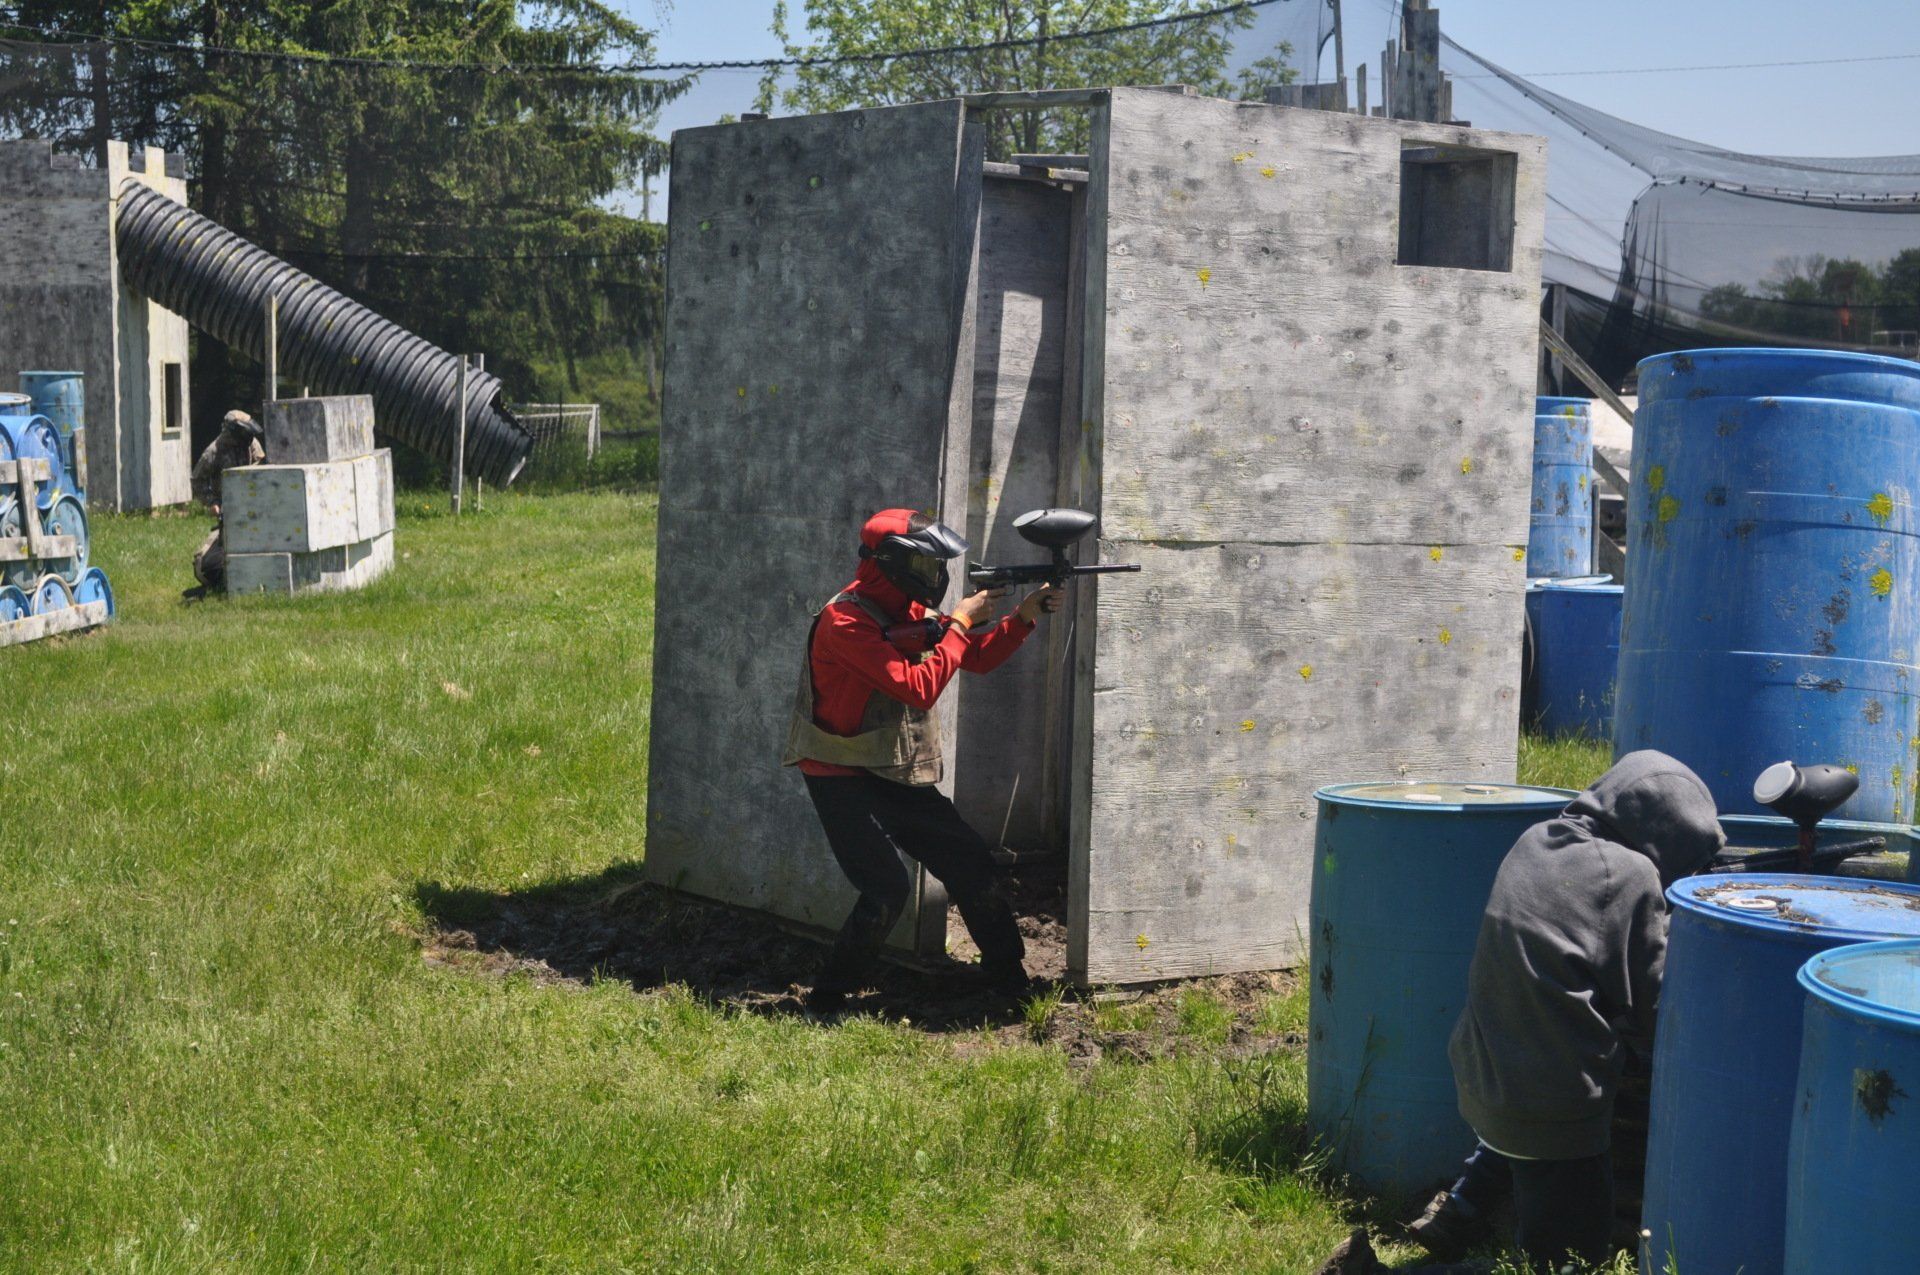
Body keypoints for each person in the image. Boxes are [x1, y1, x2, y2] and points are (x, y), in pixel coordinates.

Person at [1407, 750, 1726, 1272]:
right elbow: (1657, 1005)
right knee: (1568, 1255)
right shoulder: (1628, 873)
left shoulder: (1537, 838)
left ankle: (1459, 1213)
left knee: (1520, 1136)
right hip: (1554, 1105)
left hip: (1485, 1069)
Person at [781, 508, 1063, 1015]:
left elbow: (972, 658)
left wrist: (1023, 617)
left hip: (889, 766)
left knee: (971, 866)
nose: (936, 580)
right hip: (837, 771)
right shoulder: (844, 622)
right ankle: (825, 1000)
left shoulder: (909, 611)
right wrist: (958, 621)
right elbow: (920, 686)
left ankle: (1010, 982)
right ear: (892, 564)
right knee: (886, 888)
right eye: (927, 567)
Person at [187, 410, 265, 597]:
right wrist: (212, 503)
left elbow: (263, 467)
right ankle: (224, 585)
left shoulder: (252, 444)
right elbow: (197, 481)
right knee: (206, 566)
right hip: (229, 513)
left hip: (256, 506)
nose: (250, 437)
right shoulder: (214, 451)